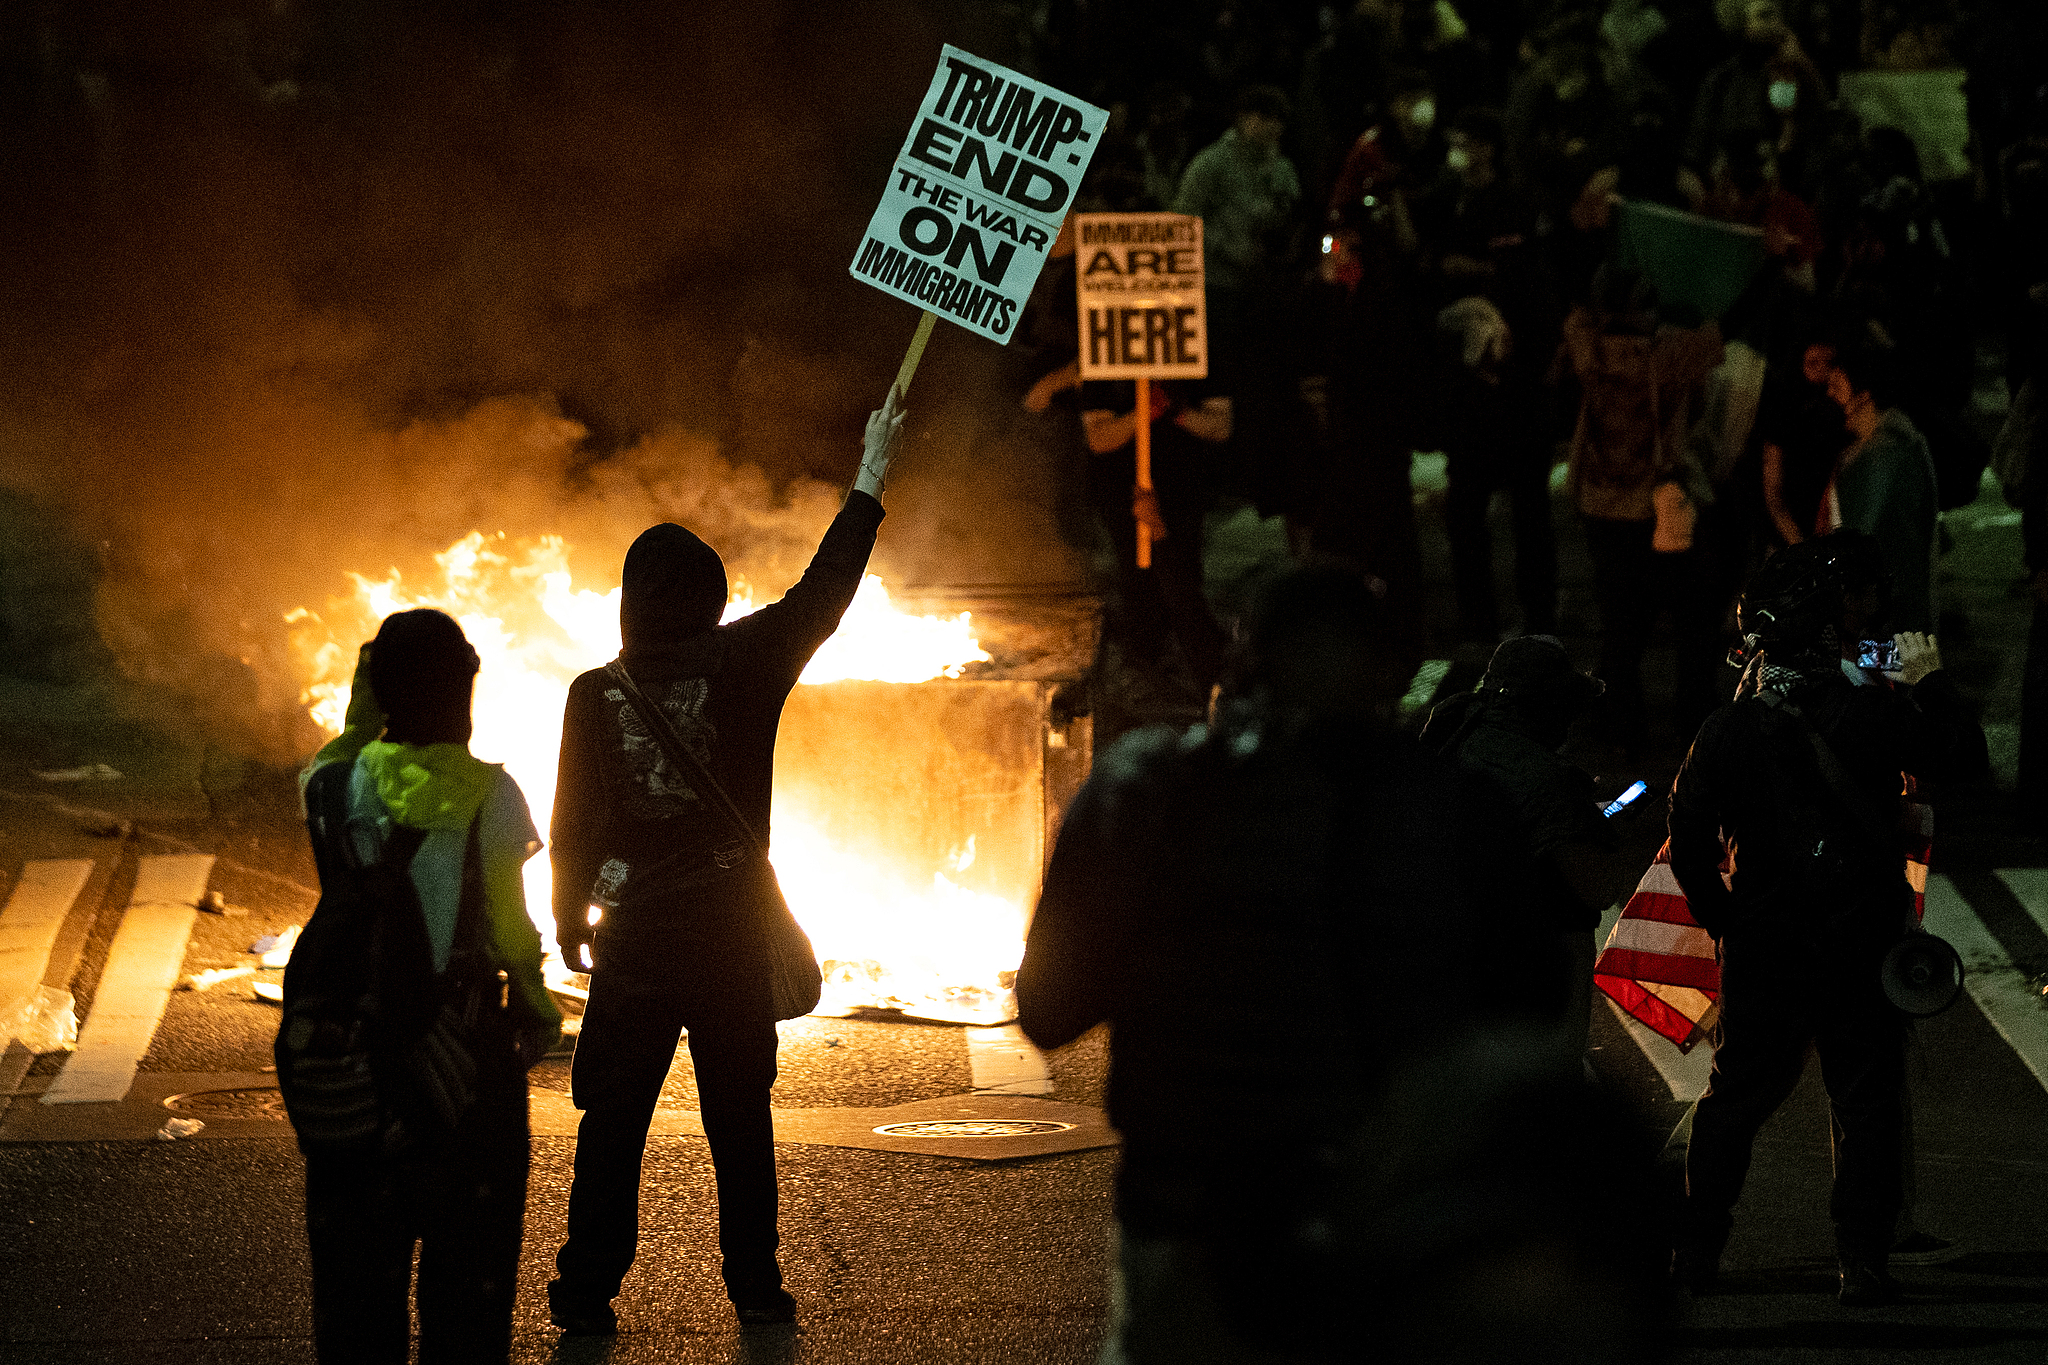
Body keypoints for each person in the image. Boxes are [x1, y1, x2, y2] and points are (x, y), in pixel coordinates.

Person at [1017, 564, 1661, 1363]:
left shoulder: (1139, 789)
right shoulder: (1458, 809)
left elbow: (1048, 1008)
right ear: (1388, 675)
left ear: (1242, 665)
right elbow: (1524, 1018)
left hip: (1189, 1225)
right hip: (1388, 1231)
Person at [545, 393, 908, 1333]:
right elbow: (824, 592)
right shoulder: (748, 662)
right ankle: (757, 1288)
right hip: (731, 937)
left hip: (634, 941)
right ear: (709, 597)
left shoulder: (595, 693)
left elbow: (573, 819)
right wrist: (869, 475)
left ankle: (585, 1292)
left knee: (611, 1129)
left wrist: (566, 921)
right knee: (741, 1127)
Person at [1669, 531, 1986, 1306]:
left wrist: (1727, 921)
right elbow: (1963, 760)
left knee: (1734, 1098)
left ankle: (1696, 1250)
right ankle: (1862, 1259)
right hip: (1858, 941)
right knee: (1865, 1098)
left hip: (1764, 945)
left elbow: (1686, 846)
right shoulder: (1871, 714)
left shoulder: (1723, 729)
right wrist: (1931, 681)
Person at [284, 608, 562, 1364]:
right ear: (463, 690)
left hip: (356, 1074)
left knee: (355, 1302)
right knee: (467, 1300)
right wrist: (539, 1013)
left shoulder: (334, 789)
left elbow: (335, 752)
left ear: (380, 694)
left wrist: (364, 696)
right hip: (463, 1076)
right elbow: (511, 929)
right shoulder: (494, 796)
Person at [1421, 635, 1620, 1065]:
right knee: (1545, 1079)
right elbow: (1598, 888)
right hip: (1533, 950)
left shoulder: (1454, 729)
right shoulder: (1546, 779)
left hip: (1449, 937)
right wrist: (1593, 825)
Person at [1558, 265, 1725, 747]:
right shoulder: (1667, 358)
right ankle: (1695, 721)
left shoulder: (1586, 349)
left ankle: (1622, 727)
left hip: (1601, 505)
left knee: (1621, 626)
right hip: (1657, 508)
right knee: (1694, 618)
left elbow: (1574, 309)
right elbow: (1725, 331)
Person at [1414, 105, 1560, 642]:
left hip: (1517, 386)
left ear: (1488, 148)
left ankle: (1539, 618)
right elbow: (1422, 261)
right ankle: (1479, 616)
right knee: (1466, 511)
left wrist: (1474, 271)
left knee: (1529, 510)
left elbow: (1534, 280)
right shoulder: (1442, 199)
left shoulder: (1517, 203)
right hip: (1465, 389)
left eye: (1466, 142)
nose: (1457, 153)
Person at [1818, 330, 1940, 632]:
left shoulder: (1878, 455)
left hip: (1882, 618)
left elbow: (1852, 539)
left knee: (1878, 679)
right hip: (1898, 610)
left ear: (1864, 393)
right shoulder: (1902, 443)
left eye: (1837, 384)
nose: (1830, 394)